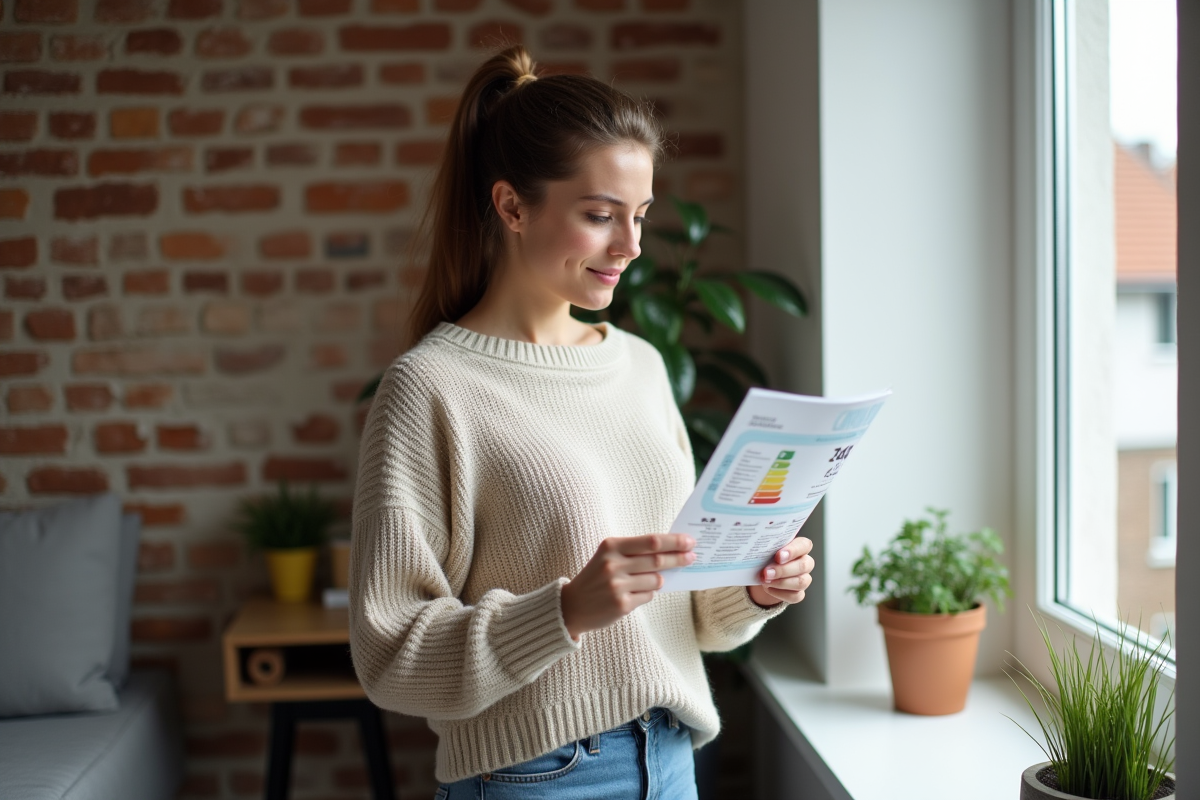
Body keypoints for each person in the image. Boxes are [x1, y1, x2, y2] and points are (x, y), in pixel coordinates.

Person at [348, 45, 816, 799]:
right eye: (600, 217)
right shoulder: (430, 389)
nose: (630, 247)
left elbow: (686, 611)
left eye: (639, 216)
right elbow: (389, 655)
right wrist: (562, 611)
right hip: (534, 776)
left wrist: (753, 592)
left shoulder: (640, 366)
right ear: (511, 207)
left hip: (670, 760)